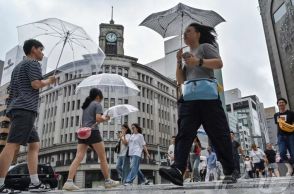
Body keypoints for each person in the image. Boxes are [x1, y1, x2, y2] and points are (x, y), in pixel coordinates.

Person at [159, 23, 236, 186]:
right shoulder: (186, 56)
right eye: (184, 32)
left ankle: (230, 169)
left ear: (198, 34)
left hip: (208, 98)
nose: (185, 34)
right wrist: (179, 62)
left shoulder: (205, 47)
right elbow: (181, 81)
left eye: (189, 31)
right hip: (190, 99)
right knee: (184, 134)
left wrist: (198, 62)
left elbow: (219, 63)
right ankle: (178, 170)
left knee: (219, 134)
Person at [0, 39, 56, 193]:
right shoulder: (33, 64)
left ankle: (35, 182)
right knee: (12, 144)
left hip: (18, 108)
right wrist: (49, 81)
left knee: (35, 145)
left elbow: (11, 92)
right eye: (41, 50)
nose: (42, 53)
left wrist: (10, 111)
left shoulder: (17, 67)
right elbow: (35, 84)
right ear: (33, 49)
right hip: (25, 108)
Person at [63, 88, 119, 191]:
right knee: (102, 157)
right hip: (93, 132)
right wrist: (106, 118)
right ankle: (108, 181)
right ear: (98, 96)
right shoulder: (97, 104)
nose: (101, 100)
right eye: (101, 98)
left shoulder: (86, 106)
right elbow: (98, 119)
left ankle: (69, 182)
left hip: (82, 133)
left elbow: (85, 121)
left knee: (78, 157)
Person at [274, 98, 294, 176]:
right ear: (278, 104)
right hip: (281, 136)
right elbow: (278, 125)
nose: (281, 104)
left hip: (291, 135)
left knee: (293, 153)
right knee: (282, 153)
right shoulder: (276, 115)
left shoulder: (291, 113)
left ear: (285, 104)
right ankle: (289, 168)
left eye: (282, 102)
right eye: (279, 102)